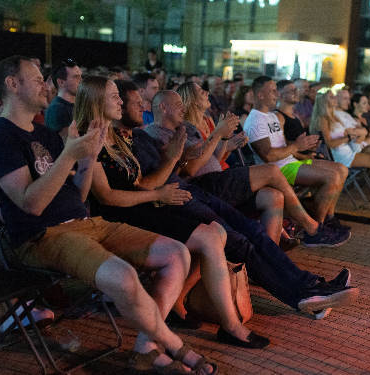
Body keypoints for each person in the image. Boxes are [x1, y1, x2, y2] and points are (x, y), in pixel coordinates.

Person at [0, 55, 218, 375]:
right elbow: (31, 205)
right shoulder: (0, 137)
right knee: (124, 276)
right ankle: (175, 347)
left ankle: (147, 348)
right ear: (12, 85)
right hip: (44, 236)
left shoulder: (44, 134)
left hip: (87, 223)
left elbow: (75, 197)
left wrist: (88, 160)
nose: (45, 85)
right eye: (37, 79)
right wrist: (69, 155)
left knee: (176, 253)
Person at [130, 90, 358, 319]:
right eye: (177, 103)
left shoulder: (183, 129)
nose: (183, 106)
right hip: (189, 194)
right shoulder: (148, 136)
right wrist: (196, 147)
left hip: (196, 192)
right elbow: (178, 173)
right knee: (245, 236)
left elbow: (196, 161)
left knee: (262, 218)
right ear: (163, 108)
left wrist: (219, 144)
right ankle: (309, 258)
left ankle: (312, 287)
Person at [79, 77, 269, 349]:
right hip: (121, 216)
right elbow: (107, 197)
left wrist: (173, 160)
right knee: (208, 237)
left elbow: (141, 183)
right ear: (97, 101)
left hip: (143, 206)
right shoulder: (92, 139)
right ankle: (230, 325)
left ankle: (181, 308)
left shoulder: (118, 138)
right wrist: (159, 194)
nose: (121, 102)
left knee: (216, 230)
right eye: (115, 97)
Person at [243, 76, 350, 245]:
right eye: (272, 90)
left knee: (341, 169)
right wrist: (297, 147)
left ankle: (328, 219)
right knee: (332, 177)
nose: (276, 94)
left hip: (290, 160)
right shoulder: (255, 120)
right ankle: (316, 230)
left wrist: (303, 150)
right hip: (277, 170)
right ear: (260, 95)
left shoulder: (271, 116)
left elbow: (283, 145)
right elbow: (268, 155)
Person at [45, 58, 82, 137]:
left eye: (80, 76)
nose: (81, 80)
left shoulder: (76, 105)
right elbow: (69, 144)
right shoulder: (57, 109)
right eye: (76, 77)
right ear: (61, 82)